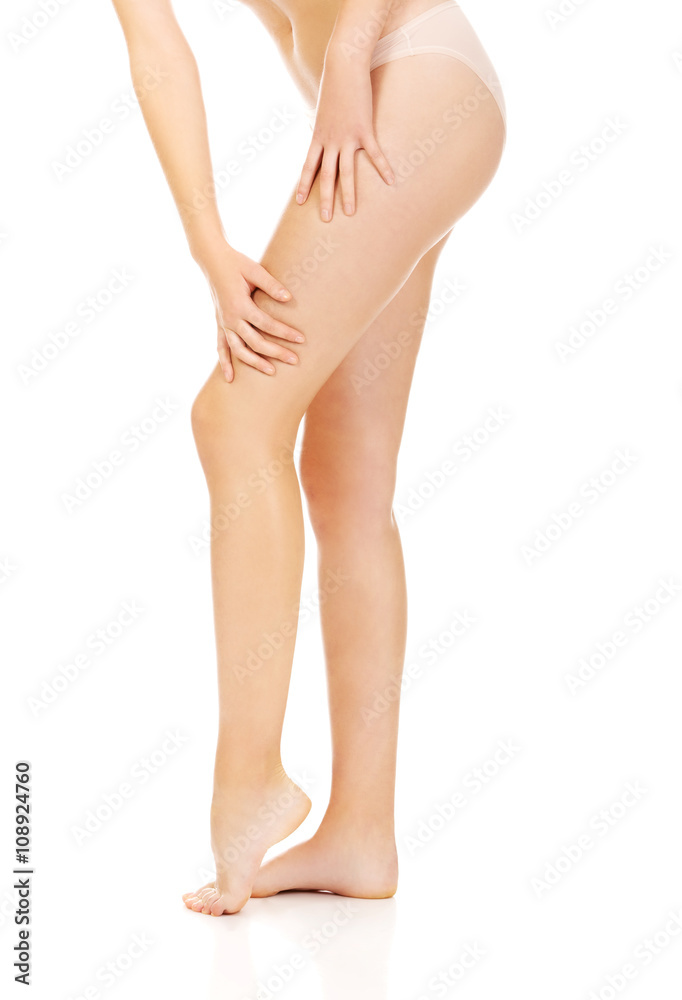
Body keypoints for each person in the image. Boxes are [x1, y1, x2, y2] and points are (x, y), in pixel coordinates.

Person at [111, 0, 507, 915]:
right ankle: (360, 836)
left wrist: (349, 61)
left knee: (233, 417)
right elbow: (156, 49)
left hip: (404, 71)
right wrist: (208, 245)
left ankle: (250, 773)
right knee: (347, 483)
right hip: (398, 95)